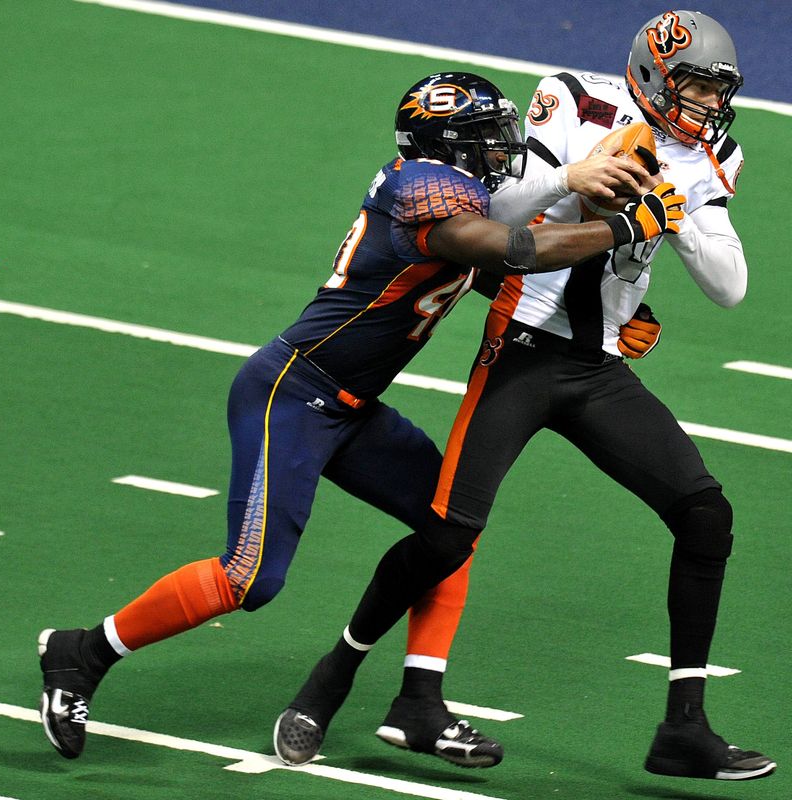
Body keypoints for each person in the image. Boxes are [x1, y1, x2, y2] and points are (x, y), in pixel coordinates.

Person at [36, 70, 679, 761]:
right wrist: (625, 226)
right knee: (249, 579)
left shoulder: (449, 194)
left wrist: (603, 324)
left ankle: (422, 704)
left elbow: (492, 272)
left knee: (447, 532)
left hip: (351, 404)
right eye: (488, 138)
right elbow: (515, 250)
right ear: (446, 143)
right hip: (293, 390)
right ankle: (83, 652)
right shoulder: (423, 191)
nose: (505, 149)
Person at [273, 10, 776, 782]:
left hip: (598, 368)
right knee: (446, 537)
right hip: (522, 353)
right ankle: (330, 680)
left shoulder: (709, 154)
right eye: (696, 85)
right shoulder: (575, 100)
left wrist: (669, 197)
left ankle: (685, 727)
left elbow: (730, 287)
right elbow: (496, 215)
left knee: (706, 515)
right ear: (652, 75)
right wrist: (578, 181)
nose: (709, 103)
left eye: (718, 89)